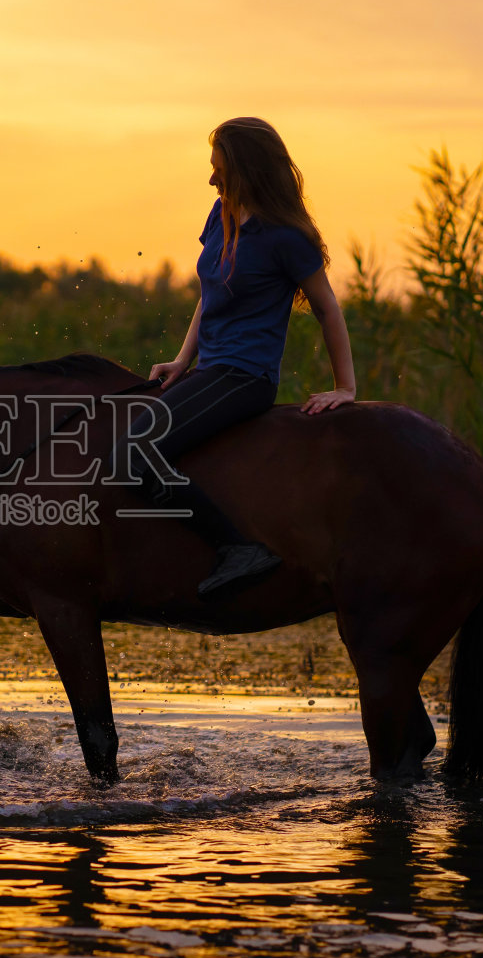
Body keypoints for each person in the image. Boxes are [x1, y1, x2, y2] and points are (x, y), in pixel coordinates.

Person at [129, 116, 357, 600]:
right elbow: (209, 293)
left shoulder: (287, 237)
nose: (211, 179)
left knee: (135, 453)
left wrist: (346, 387)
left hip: (244, 376)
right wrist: (181, 358)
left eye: (219, 169)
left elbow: (327, 309)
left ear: (247, 170)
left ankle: (238, 548)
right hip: (210, 368)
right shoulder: (221, 214)